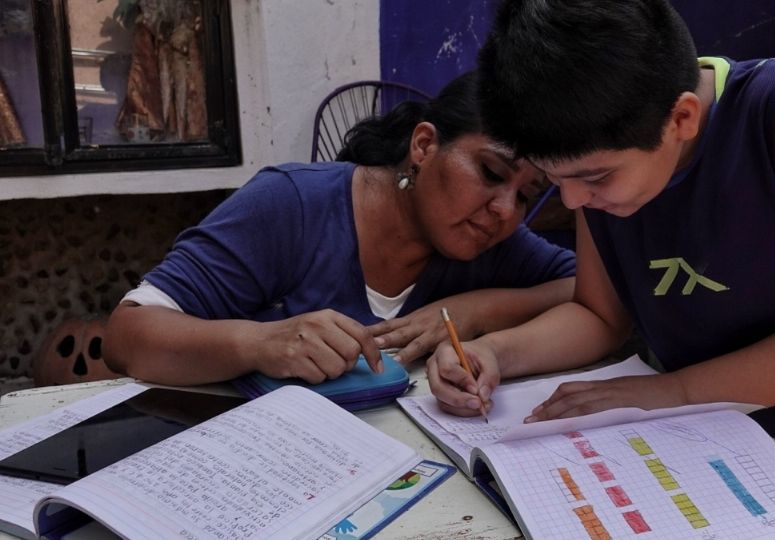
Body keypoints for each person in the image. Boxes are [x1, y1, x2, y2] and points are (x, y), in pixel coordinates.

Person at [425, 1, 775, 537]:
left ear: (683, 117)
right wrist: (495, 351)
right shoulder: (598, 161)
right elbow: (597, 314)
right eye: (554, 178)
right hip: (739, 466)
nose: (574, 198)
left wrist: (672, 392)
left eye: (595, 177)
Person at [103, 71, 575, 387]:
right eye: (491, 173)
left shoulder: (494, 242)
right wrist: (260, 343)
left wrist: (475, 310)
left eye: (527, 195)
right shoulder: (292, 205)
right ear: (425, 146)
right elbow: (126, 337)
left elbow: (587, 293)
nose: (505, 210)